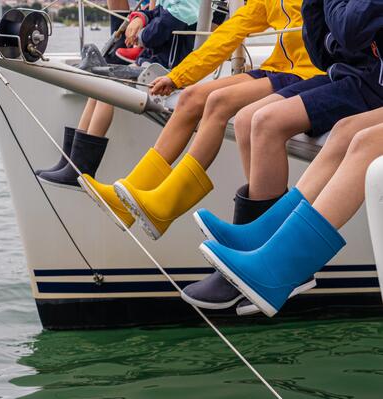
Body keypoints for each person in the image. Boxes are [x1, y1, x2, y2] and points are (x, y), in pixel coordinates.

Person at [183, 0, 383, 314]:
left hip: (367, 83)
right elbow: (324, 51)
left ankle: (278, 264)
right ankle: (266, 239)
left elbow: (351, 30)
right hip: (355, 78)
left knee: (365, 142)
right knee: (346, 132)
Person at [79, 0, 325, 240]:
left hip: (309, 72)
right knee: (191, 97)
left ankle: (167, 204)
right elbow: (227, 34)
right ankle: (131, 193)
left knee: (219, 102)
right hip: (280, 67)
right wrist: (178, 77)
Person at [37, 0, 203, 188]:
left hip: (165, 72)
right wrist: (140, 17)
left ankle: (82, 168)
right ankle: (71, 160)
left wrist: (140, 35)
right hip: (152, 65)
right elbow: (157, 13)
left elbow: (159, 30)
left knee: (107, 89)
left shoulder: (187, 5)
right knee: (97, 85)